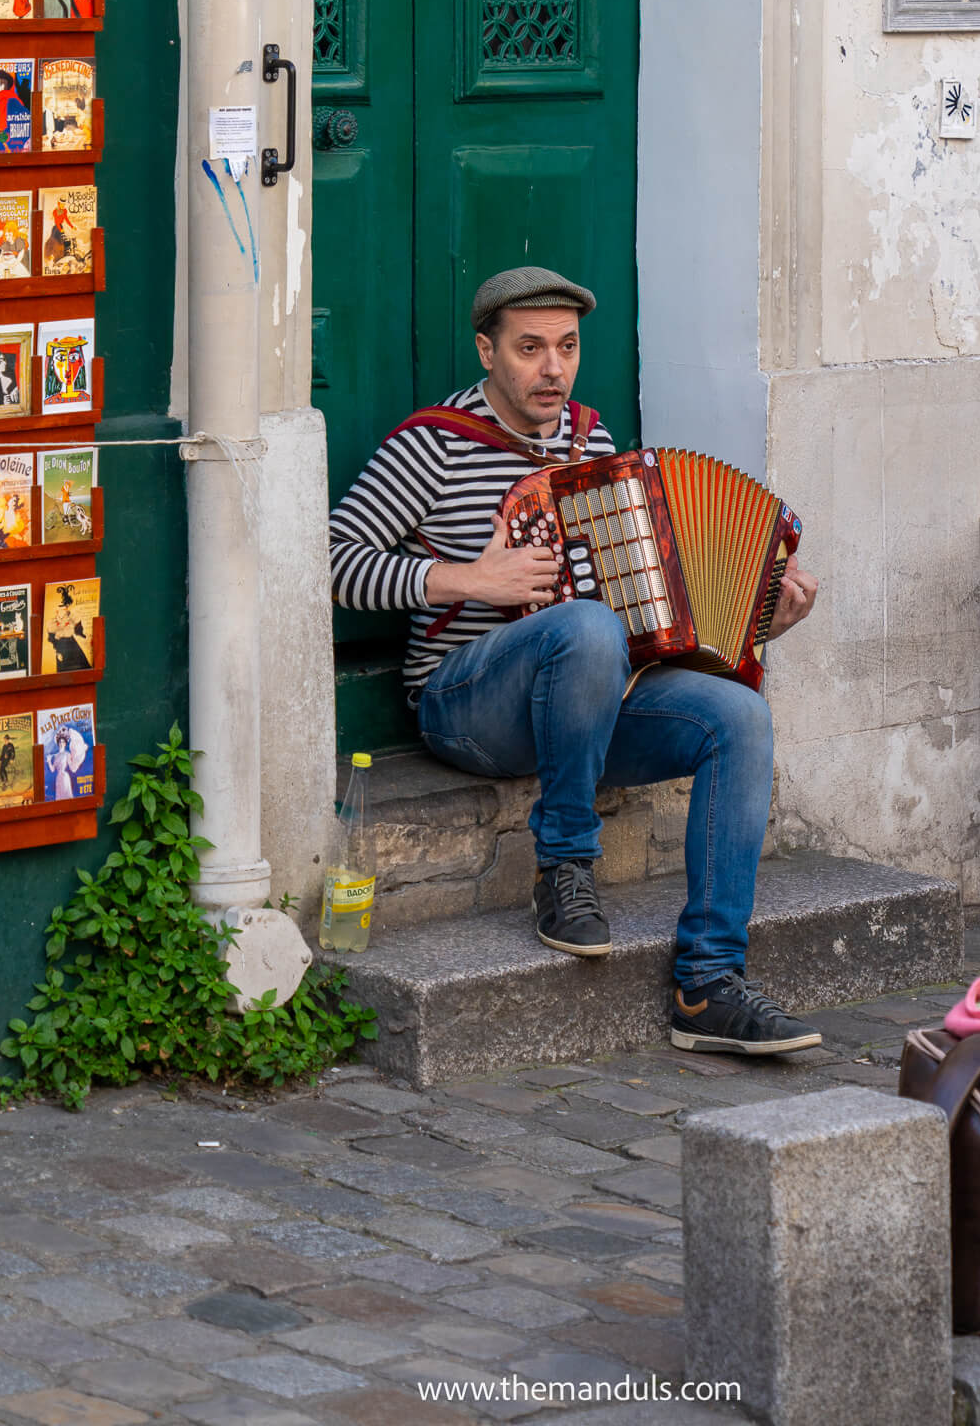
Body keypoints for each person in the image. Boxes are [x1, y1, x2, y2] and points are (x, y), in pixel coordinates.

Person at [329, 266, 823, 1057]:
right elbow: (329, 563)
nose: (552, 368)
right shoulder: (430, 446)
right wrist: (468, 578)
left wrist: (766, 616)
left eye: (566, 347)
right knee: (585, 628)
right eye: (529, 349)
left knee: (738, 715)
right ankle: (564, 866)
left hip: (582, 705)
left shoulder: (592, 442)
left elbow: (643, 612)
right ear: (487, 351)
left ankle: (708, 984)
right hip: (465, 704)